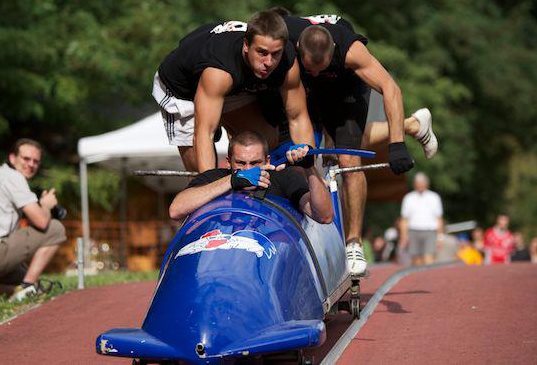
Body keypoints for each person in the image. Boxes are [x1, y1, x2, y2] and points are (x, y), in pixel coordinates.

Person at [264, 12, 438, 275]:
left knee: (348, 160)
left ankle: (353, 242)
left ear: (332, 53)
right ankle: (412, 124)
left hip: (346, 92)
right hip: (306, 91)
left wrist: (396, 145)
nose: (315, 72)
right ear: (297, 47)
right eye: (310, 67)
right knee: (299, 152)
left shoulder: (350, 50)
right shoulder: (286, 37)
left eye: (320, 68)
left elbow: (391, 88)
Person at [153, 11, 315, 173]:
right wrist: (209, 186)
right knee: (199, 176)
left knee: (266, 141)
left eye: (275, 54)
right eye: (262, 52)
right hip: (182, 89)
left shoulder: (287, 60)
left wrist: (309, 167)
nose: (269, 62)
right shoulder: (219, 71)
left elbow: (298, 117)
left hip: (231, 86)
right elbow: (204, 133)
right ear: (246, 46)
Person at [169, 131, 333, 224]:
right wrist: (232, 181)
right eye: (240, 163)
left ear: (267, 161)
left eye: (255, 163)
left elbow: (324, 216)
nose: (247, 169)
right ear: (228, 162)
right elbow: (176, 210)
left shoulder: (283, 178)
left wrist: (309, 168)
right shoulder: (215, 178)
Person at [0, 139, 66, 301]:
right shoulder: (13, 177)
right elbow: (42, 222)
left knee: (23, 274)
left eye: (36, 161)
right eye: (26, 159)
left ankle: (17, 290)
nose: (31, 164)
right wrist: (46, 205)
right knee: (55, 229)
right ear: (12, 158)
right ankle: (27, 288)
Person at [399, 172, 444, 266]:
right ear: (414, 184)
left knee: (429, 259)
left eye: (422, 182)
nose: (420, 185)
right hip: (413, 231)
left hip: (430, 232)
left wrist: (440, 237)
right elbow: (404, 219)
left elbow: (439, 218)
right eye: (418, 182)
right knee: (416, 260)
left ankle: (429, 278)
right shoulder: (408, 198)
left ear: (427, 184)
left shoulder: (434, 197)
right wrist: (404, 236)